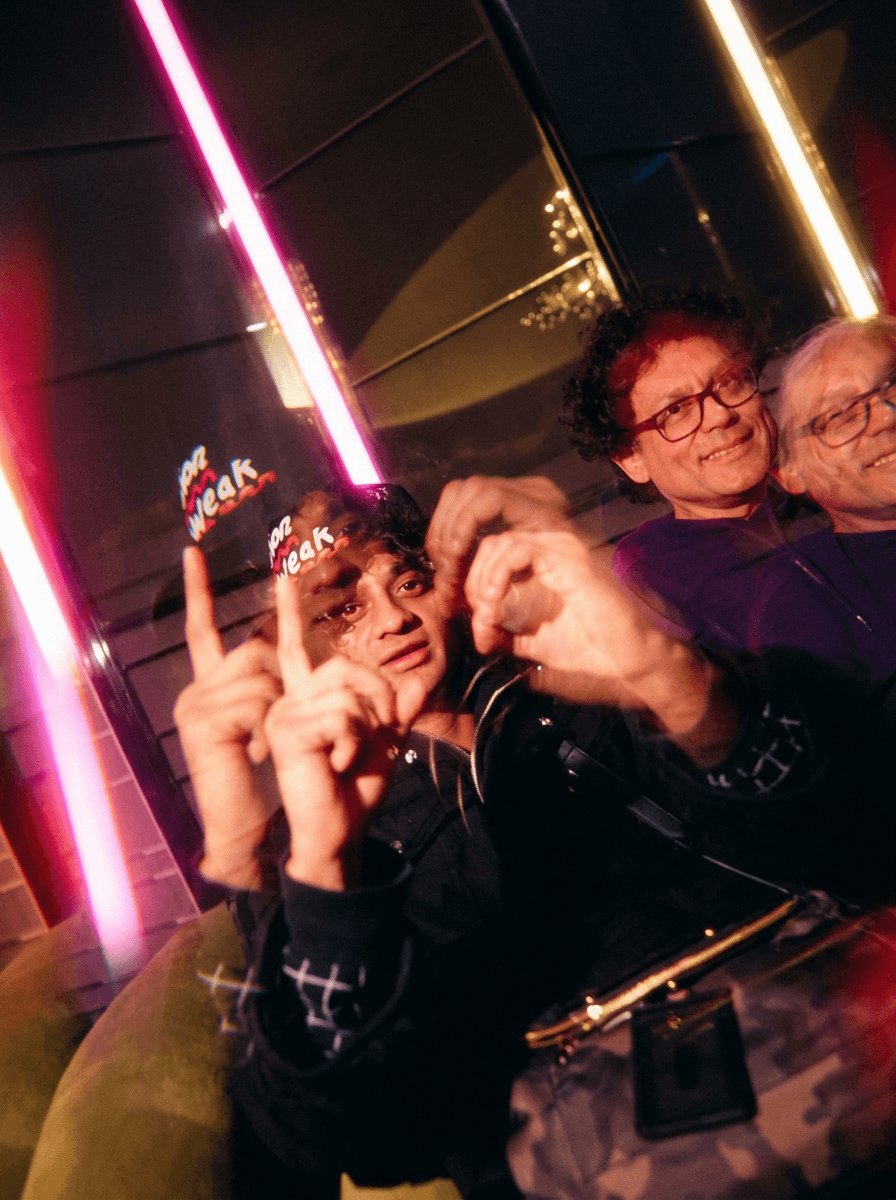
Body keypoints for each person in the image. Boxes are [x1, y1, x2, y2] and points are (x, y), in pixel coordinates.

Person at [174, 477, 893, 1199]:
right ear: (296, 655)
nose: (393, 620)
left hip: (827, 1040)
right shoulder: (323, 834)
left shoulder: (574, 678)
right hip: (599, 1152)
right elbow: (335, 1134)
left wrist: (663, 672)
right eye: (343, 611)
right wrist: (303, 862)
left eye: (410, 581)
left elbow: (848, 825)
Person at [562, 288, 810, 652]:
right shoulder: (653, 584)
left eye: (728, 382)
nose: (719, 414)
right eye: (675, 410)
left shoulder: (829, 496)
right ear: (632, 458)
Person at [753, 315, 896, 680]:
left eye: (893, 384)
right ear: (791, 472)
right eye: (840, 415)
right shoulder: (803, 604)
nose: (884, 416)